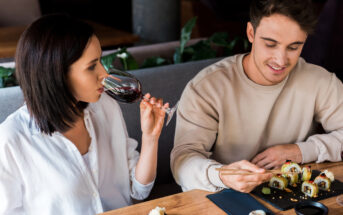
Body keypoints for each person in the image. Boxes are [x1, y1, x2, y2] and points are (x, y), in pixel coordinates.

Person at [0, 14, 168, 214]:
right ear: (56, 74)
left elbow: (138, 191)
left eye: (100, 62)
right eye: (91, 66)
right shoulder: (11, 140)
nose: (105, 74)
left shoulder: (106, 107)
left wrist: (150, 137)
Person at [171, 0, 343, 193]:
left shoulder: (320, 81)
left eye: (293, 47)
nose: (281, 60)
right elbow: (182, 162)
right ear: (251, 33)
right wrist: (221, 175)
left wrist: (300, 151)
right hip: (223, 196)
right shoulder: (206, 88)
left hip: (294, 194)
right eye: (271, 44)